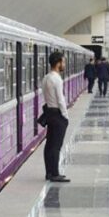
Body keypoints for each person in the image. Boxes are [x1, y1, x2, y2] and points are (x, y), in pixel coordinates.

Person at [42, 51, 71, 182]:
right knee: (56, 146)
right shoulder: (57, 79)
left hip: (49, 112)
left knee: (49, 144)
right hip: (58, 114)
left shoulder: (46, 77)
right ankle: (55, 174)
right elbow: (61, 100)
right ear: (58, 63)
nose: (64, 64)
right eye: (63, 62)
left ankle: (49, 172)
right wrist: (65, 116)